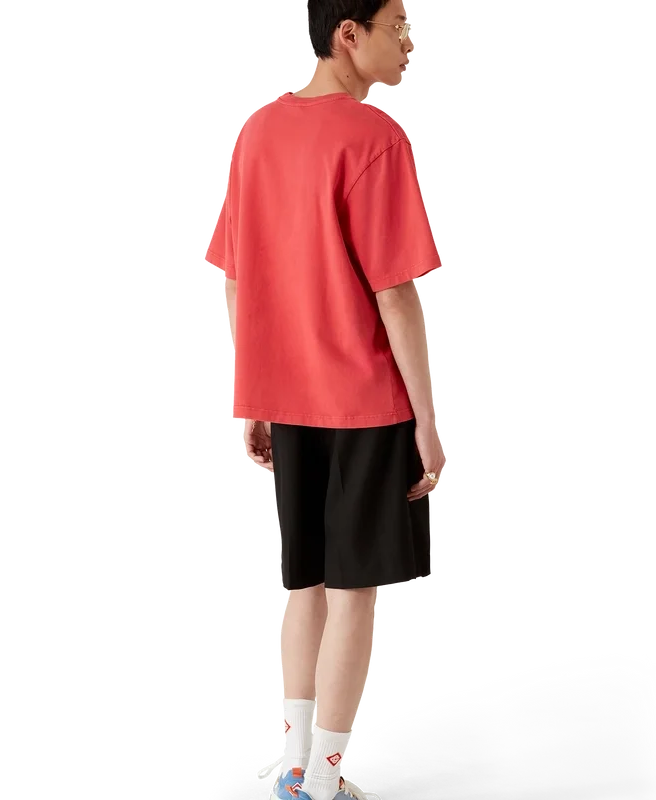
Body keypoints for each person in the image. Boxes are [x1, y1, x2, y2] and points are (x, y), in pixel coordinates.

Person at [203, 1, 447, 797]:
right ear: (350, 33)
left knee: (302, 583)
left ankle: (297, 767)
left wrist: (251, 401)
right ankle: (325, 780)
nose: (409, 44)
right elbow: (396, 294)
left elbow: (239, 280)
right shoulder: (374, 137)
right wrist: (428, 422)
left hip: (289, 400)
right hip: (365, 399)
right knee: (352, 594)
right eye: (396, 27)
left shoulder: (257, 131)